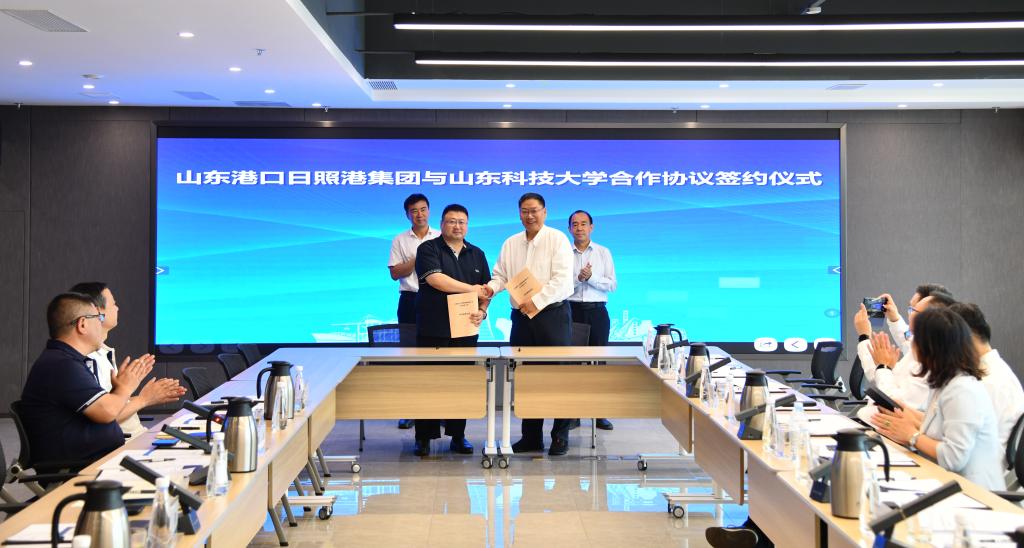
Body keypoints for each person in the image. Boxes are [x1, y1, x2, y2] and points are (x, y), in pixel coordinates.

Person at [871, 307, 1005, 490]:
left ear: (931, 346)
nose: (911, 342)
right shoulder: (945, 382)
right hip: (947, 482)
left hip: (974, 494)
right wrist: (906, 413)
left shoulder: (962, 391)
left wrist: (911, 435)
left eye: (915, 337)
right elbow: (941, 427)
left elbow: (953, 458)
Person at [485, 192, 575, 456]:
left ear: (544, 212)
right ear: (519, 213)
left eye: (534, 210)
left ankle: (560, 436)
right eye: (524, 211)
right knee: (526, 378)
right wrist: (491, 289)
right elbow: (500, 275)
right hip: (522, 319)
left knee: (558, 378)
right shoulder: (511, 242)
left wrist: (537, 301)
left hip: (552, 316)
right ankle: (531, 437)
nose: (529, 215)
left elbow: (562, 280)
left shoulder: (557, 239)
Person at [19, 293, 149, 468]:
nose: (102, 324)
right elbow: (107, 412)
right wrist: (125, 388)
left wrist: (117, 391)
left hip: (96, 461)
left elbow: (101, 409)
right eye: (99, 318)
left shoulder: (66, 359)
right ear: (82, 324)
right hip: (80, 469)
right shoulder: (62, 365)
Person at [411, 204, 492, 457]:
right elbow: (436, 280)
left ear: (467, 225)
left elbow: (486, 290)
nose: (457, 226)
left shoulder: (477, 253)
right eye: (451, 221)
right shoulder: (428, 248)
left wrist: (483, 310)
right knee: (429, 383)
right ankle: (424, 437)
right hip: (433, 328)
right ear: (442, 224)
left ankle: (458, 436)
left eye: (461, 222)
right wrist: (472, 289)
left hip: (465, 330)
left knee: (461, 383)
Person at [69, 282, 186, 438]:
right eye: (113, 304)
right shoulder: (86, 359)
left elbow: (109, 404)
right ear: (97, 312)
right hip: (124, 444)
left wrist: (144, 396)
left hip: (137, 436)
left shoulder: (102, 352)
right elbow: (105, 415)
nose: (117, 308)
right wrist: (144, 399)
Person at [853, 289, 956, 421]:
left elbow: (893, 404)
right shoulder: (921, 351)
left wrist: (883, 366)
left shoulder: (933, 366)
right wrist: (883, 366)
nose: (909, 315)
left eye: (913, 310)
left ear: (931, 319)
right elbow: (878, 377)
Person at [947, 303, 1024, 463]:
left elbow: (961, 448)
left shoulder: (989, 382)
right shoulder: (995, 371)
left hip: (980, 470)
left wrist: (915, 435)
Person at [388, 193, 439, 430]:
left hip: (437, 300)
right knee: (409, 357)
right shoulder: (400, 240)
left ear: (429, 210)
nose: (420, 214)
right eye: (414, 211)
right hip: (410, 300)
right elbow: (395, 273)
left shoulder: (440, 236)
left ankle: (437, 411)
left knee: (437, 356)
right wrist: (420, 258)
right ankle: (410, 410)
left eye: (423, 209)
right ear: (407, 214)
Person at [567, 210, 617, 431]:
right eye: (575, 224)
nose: (579, 228)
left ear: (591, 227)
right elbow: (560, 285)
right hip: (572, 311)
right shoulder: (564, 253)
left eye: (584, 224)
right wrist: (579, 278)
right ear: (569, 228)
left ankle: (599, 413)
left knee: (599, 365)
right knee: (573, 365)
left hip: (597, 312)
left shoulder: (603, 252)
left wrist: (591, 278)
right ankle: (573, 415)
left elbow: (612, 285)